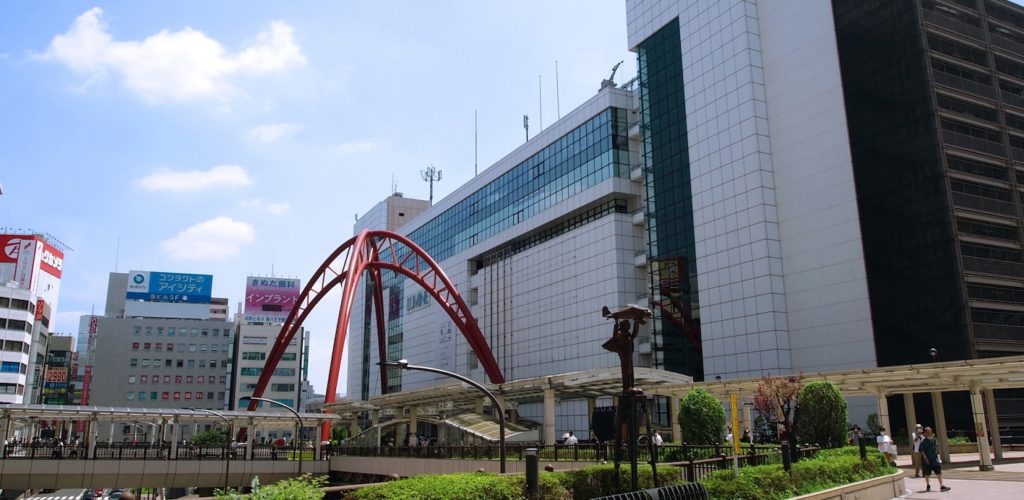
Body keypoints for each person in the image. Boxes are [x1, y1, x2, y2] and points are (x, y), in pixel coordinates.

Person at [919, 427, 950, 492]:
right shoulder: (923, 441)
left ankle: (942, 486)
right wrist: (925, 458)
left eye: (931, 432)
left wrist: (937, 457)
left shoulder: (933, 440)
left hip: (934, 459)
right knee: (927, 474)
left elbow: (935, 449)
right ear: (925, 433)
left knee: (939, 472)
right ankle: (928, 485)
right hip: (927, 460)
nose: (930, 434)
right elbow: (921, 450)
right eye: (928, 433)